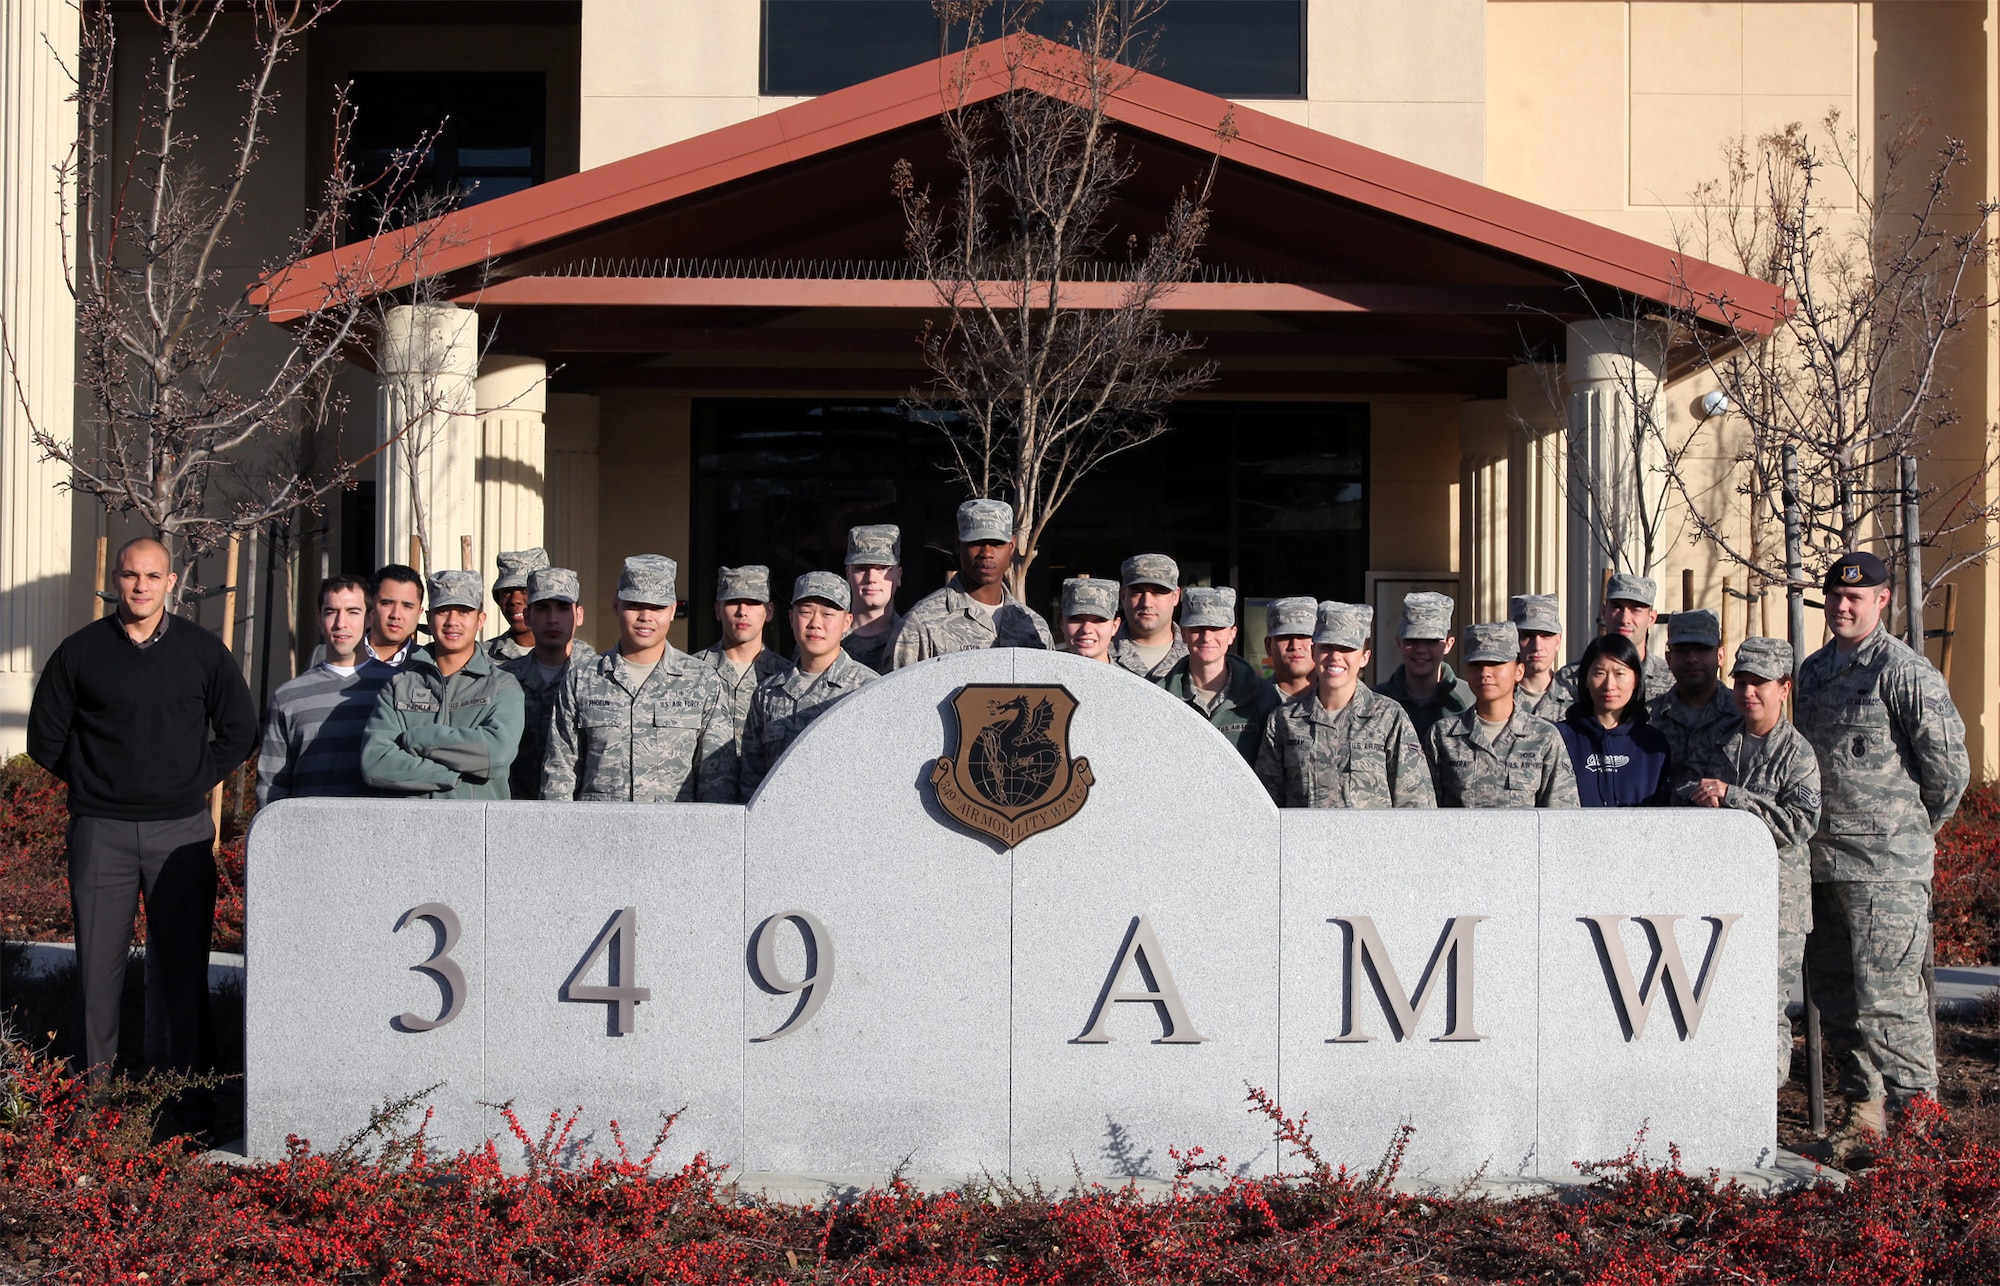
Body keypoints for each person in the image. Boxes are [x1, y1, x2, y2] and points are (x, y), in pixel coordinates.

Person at [26, 536, 258, 1096]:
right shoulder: (79, 652)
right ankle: (93, 1098)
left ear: (171, 582)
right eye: (131, 575)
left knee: (181, 969)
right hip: (99, 830)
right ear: (114, 578)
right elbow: (44, 737)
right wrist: (94, 782)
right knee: (97, 976)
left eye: (152, 577)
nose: (140, 586)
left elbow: (239, 730)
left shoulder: (203, 652)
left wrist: (191, 780)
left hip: (179, 831)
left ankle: (185, 1097)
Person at [1795, 551, 1968, 1161]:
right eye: (1836, 598)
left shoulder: (1906, 672)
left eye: (1856, 598)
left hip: (1886, 872)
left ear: (1883, 600)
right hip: (1823, 865)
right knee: (1839, 998)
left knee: (1891, 1000)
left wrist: (1911, 835)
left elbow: (1948, 771)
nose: (1843, 606)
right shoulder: (1813, 673)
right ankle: (1864, 1116)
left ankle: (1919, 1131)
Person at [1675, 636, 1822, 1089]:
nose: (1748, 692)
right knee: (1719, 1000)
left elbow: (1798, 824)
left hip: (1779, 904)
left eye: (1759, 683)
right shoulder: (1721, 741)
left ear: (1784, 687)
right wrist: (1702, 798)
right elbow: (1686, 790)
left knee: (1766, 1002)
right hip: (1722, 898)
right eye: (1740, 681)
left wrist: (1732, 797)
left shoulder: (1798, 755)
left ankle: (1765, 1097)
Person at [542, 555, 736, 802]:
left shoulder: (701, 682)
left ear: (673, 611)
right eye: (634, 605)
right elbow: (559, 773)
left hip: (674, 834)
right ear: (616, 606)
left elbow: (717, 781)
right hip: (598, 833)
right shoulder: (582, 679)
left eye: (657, 607)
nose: (646, 616)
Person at [360, 570, 525, 800]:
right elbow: (376, 763)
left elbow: (495, 754)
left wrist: (416, 739)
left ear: (480, 620)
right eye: (443, 611)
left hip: (477, 829)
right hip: (409, 830)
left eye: (464, 611)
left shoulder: (502, 686)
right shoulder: (399, 686)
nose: (452, 621)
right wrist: (450, 775)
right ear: (428, 618)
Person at [1255, 601, 1434, 809]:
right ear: (1314, 652)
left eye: (1346, 648)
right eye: (1327, 647)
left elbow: (1416, 805)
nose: (1335, 657)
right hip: (1305, 841)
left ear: (1365, 657)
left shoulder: (1388, 718)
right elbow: (1267, 805)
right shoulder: (1284, 721)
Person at [256, 575, 396, 806]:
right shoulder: (289, 697)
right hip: (308, 832)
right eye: (331, 611)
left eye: (352, 612)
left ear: (370, 618)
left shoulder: (394, 687)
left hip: (377, 832)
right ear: (319, 618)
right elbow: (271, 787)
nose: (341, 623)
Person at [740, 571, 877, 799]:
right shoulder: (768, 693)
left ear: (847, 622)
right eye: (806, 612)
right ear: (792, 618)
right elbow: (751, 778)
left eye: (827, 614)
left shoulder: (866, 689)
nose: (815, 623)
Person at [1426, 621, 1578, 808]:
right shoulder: (1442, 735)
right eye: (1476, 665)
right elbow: (1427, 813)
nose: (1485, 673)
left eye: (1495, 664)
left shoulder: (1544, 737)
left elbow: (1561, 813)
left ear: (1519, 671)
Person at [889, 499, 1053, 666]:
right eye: (977, 543)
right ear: (959, 545)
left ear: (1011, 546)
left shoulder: (1034, 627)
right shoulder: (922, 624)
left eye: (997, 544)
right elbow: (896, 690)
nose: (987, 553)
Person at [499, 567, 596, 801]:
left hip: (585, 816)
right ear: (529, 615)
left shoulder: (599, 679)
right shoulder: (503, 680)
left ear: (579, 615)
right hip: (516, 813)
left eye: (563, 609)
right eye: (542, 608)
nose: (553, 619)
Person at [699, 565, 795, 799]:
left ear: (769, 612)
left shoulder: (787, 678)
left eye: (753, 603)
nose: (743, 611)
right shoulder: (692, 674)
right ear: (718, 610)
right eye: (733, 602)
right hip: (703, 808)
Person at [1157, 586, 1281, 763]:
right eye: (1197, 628)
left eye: (1216, 628)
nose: (1206, 637)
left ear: (1232, 634)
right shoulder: (1162, 696)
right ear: (1183, 633)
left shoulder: (1263, 697)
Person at [1555, 633, 1671, 807]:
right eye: (1599, 673)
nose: (1609, 685)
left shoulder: (1653, 744)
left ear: (1635, 680)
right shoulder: (1558, 738)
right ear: (1585, 679)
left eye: (1620, 673)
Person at [1374, 591, 1473, 752]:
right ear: (1398, 642)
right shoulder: (1376, 701)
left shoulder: (1471, 700)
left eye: (1431, 641)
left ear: (1449, 644)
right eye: (1411, 640)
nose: (1420, 650)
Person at [1554, 573, 1672, 703]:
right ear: (1604, 613)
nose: (1624, 619)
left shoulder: (1671, 679)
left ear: (1651, 618)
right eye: (1617, 608)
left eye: (1635, 609)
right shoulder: (1570, 678)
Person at [1650, 608, 1733, 783]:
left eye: (1702, 649)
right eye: (1682, 650)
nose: (1692, 658)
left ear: (1720, 656)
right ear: (1668, 658)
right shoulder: (1646, 717)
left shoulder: (1742, 716)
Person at [840, 524, 903, 675]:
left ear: (898, 575)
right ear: (848, 574)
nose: (871, 579)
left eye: (882, 568)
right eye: (861, 568)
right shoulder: (826, 637)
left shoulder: (910, 636)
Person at [1110, 554, 1186, 678]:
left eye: (1159, 592)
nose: (1147, 603)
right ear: (1123, 596)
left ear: (1175, 596)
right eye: (1137, 592)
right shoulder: (1100, 652)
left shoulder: (1196, 654)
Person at [1510, 593, 1571, 722]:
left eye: (1546, 636)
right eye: (1528, 636)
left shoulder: (1576, 698)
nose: (1537, 646)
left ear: (1558, 641)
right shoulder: (1498, 696)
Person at [485, 547, 549, 662]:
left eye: (525, 590)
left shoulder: (576, 658)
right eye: (506, 592)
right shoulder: (482, 658)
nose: (514, 600)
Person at [364, 563, 425, 667]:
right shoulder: (337, 658)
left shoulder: (430, 668)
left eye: (407, 606)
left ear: (419, 613)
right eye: (387, 603)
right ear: (370, 607)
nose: (396, 615)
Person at [1262, 596, 1318, 700]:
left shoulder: (1339, 700)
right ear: (1268, 646)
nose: (1295, 645)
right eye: (1285, 637)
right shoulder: (1249, 703)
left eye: (1304, 636)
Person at [1058, 576, 1121, 662]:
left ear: (1115, 626)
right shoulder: (1043, 673)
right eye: (1076, 619)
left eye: (1099, 620)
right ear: (1062, 623)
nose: (1086, 629)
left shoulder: (1127, 675)